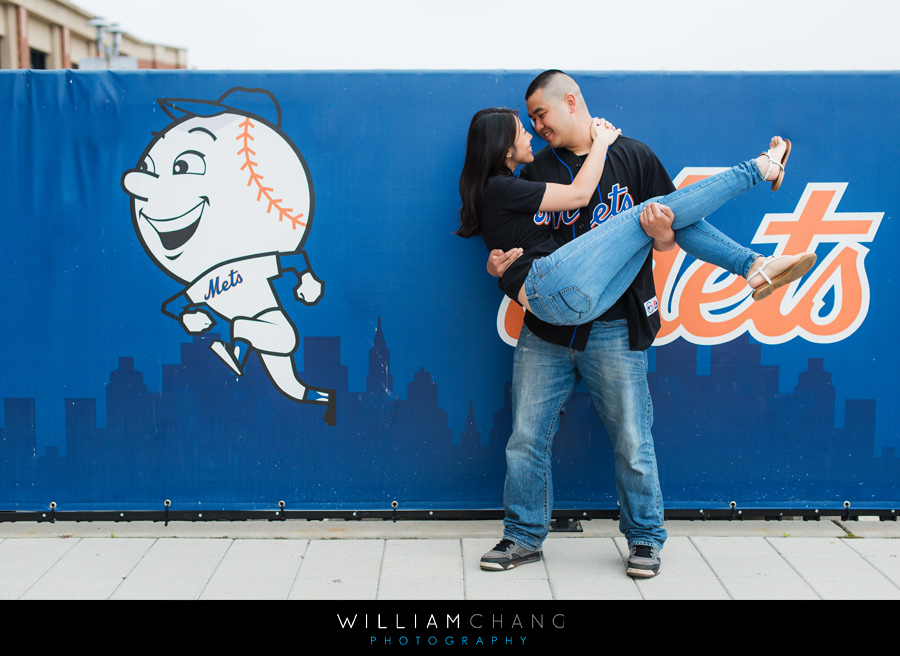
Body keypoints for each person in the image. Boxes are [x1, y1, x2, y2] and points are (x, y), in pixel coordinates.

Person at [462, 71, 813, 578]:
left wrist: (662, 233)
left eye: (541, 114)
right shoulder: (532, 169)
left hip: (614, 322)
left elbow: (674, 233)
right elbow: (511, 234)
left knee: (632, 438)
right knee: (526, 437)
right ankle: (522, 537)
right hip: (548, 327)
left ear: (571, 100)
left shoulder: (636, 156)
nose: (536, 128)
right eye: (529, 121)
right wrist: (499, 268)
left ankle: (646, 539)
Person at [458, 109, 814, 328]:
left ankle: (754, 267)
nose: (530, 132)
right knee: (653, 206)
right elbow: (581, 195)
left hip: (579, 304)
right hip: (547, 290)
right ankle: (761, 168)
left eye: (534, 120)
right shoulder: (500, 187)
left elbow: (505, 243)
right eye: (522, 128)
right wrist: (602, 142)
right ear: (505, 147)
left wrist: (495, 266)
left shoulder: (510, 188)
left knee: (657, 214)